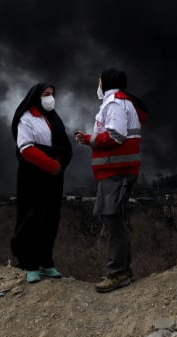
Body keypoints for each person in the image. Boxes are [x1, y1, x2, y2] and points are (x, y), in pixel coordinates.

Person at [75, 68, 148, 293]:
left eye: (99, 80)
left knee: (113, 220)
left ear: (106, 82)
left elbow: (116, 135)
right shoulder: (122, 101)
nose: (97, 84)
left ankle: (118, 274)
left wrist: (89, 139)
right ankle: (121, 270)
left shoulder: (114, 102)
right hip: (117, 172)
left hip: (116, 173)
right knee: (115, 219)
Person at [11, 83, 73, 283]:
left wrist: (60, 163)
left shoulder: (54, 117)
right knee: (32, 218)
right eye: (46, 94)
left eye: (52, 94)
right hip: (33, 177)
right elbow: (26, 148)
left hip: (54, 179)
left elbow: (64, 145)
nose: (50, 98)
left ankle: (47, 263)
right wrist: (51, 165)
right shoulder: (26, 119)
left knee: (50, 219)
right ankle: (30, 265)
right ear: (36, 97)